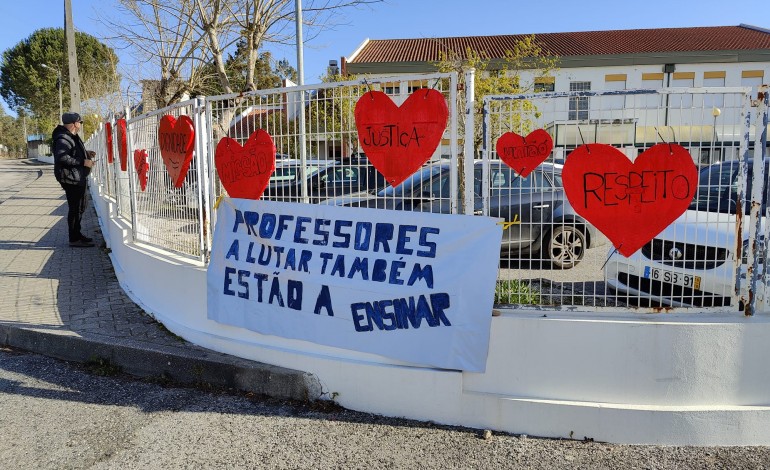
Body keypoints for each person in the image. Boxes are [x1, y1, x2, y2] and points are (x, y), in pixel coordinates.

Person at [53, 112, 96, 247]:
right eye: (80, 122)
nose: (80, 125)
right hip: (70, 178)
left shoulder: (71, 136)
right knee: (75, 208)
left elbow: (72, 153)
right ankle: (74, 239)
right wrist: (83, 161)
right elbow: (62, 157)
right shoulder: (63, 138)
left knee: (81, 206)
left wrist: (86, 153)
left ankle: (77, 234)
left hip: (76, 176)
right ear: (74, 123)